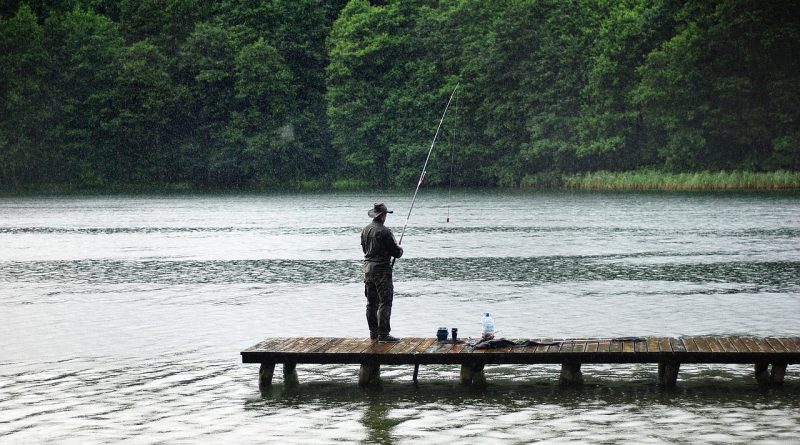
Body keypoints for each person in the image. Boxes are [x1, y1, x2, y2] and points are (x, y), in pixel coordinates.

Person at [361, 203, 403, 342]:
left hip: (368, 270)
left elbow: (365, 250)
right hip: (382, 272)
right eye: (386, 214)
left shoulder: (365, 230)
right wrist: (399, 248)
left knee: (371, 303)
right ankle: (383, 334)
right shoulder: (385, 232)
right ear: (382, 215)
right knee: (385, 302)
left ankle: (373, 332)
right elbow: (396, 253)